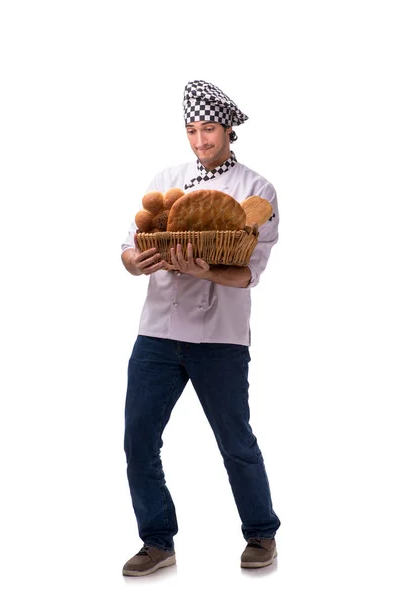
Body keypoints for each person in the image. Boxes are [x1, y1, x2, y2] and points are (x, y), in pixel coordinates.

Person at [120, 79, 281, 577]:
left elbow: (248, 272)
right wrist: (139, 261)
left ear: (229, 129)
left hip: (220, 339)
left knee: (235, 441)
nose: (199, 140)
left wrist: (205, 270)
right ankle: (157, 540)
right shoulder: (167, 178)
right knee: (138, 441)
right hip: (158, 333)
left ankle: (261, 533)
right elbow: (127, 250)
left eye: (207, 129)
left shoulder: (258, 190)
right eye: (191, 130)